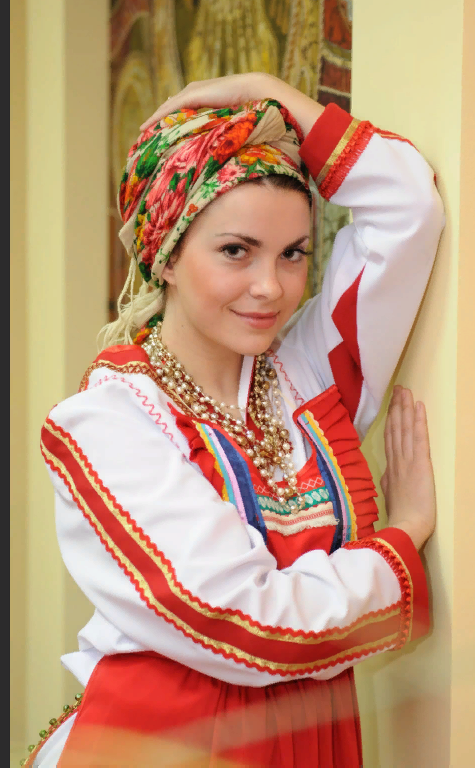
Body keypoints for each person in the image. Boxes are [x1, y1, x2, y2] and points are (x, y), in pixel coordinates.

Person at [29, 72, 443, 767]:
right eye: (235, 251)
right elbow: (246, 625)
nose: (270, 287)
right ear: (166, 256)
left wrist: (267, 90)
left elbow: (409, 208)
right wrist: (401, 541)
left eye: (293, 254)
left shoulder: (307, 378)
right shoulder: (106, 423)